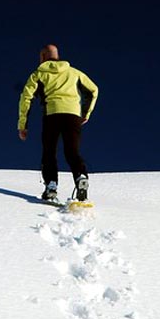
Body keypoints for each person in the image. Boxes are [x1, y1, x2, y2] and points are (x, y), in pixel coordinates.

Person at [18, 44, 98, 202]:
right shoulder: (74, 73)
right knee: (72, 151)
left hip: (52, 115)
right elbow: (93, 90)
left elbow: (25, 98)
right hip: (73, 115)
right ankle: (80, 176)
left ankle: (51, 186)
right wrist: (86, 113)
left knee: (49, 152)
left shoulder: (38, 74)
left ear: (42, 57)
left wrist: (22, 125)